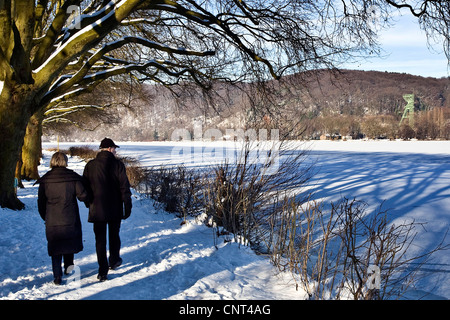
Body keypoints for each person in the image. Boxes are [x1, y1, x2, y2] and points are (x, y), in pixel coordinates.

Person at [83, 138, 132, 281]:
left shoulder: (90, 165)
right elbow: (124, 187)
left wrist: (89, 203)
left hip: (97, 208)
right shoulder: (118, 165)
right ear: (109, 148)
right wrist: (127, 206)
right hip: (115, 208)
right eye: (114, 148)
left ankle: (102, 270)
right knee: (114, 235)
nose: (115, 151)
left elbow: (84, 187)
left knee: (100, 240)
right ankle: (114, 260)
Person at [37, 152, 88, 285]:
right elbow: (83, 195)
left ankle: (57, 276)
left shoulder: (46, 180)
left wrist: (46, 217)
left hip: (53, 219)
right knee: (69, 243)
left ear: (52, 161)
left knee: (55, 247)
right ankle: (68, 267)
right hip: (70, 217)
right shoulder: (72, 177)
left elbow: (41, 202)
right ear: (65, 161)